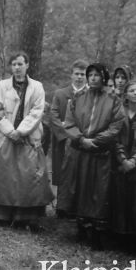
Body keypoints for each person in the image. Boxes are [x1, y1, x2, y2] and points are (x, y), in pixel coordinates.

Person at [58, 63, 125, 250]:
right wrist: (81, 139)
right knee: (79, 187)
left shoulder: (113, 100)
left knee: (97, 191)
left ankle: (96, 233)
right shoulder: (78, 97)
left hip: (99, 153)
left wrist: (96, 140)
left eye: (97, 75)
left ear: (104, 77)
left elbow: (116, 125)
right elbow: (69, 122)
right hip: (79, 151)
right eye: (91, 75)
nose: (93, 78)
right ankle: (80, 228)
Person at [0, 52, 53, 230]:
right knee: (8, 176)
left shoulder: (37, 87)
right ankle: (4, 214)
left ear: (27, 65)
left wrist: (21, 131)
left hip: (29, 136)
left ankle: (25, 216)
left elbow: (37, 112)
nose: (17, 68)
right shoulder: (3, 86)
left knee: (29, 176)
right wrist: (11, 132)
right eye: (14, 64)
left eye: (20, 64)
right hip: (8, 136)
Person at [110, 80, 136, 249]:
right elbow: (115, 139)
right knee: (119, 198)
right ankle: (116, 235)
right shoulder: (119, 114)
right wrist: (123, 160)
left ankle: (133, 240)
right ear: (126, 95)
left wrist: (134, 160)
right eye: (132, 90)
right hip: (120, 165)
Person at [50, 59, 89, 217]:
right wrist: (65, 135)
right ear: (71, 75)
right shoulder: (61, 94)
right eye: (77, 74)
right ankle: (61, 207)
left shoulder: (91, 95)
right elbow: (53, 115)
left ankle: (76, 208)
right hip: (64, 141)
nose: (79, 77)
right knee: (63, 172)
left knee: (80, 173)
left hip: (81, 141)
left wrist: (79, 136)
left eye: (83, 74)